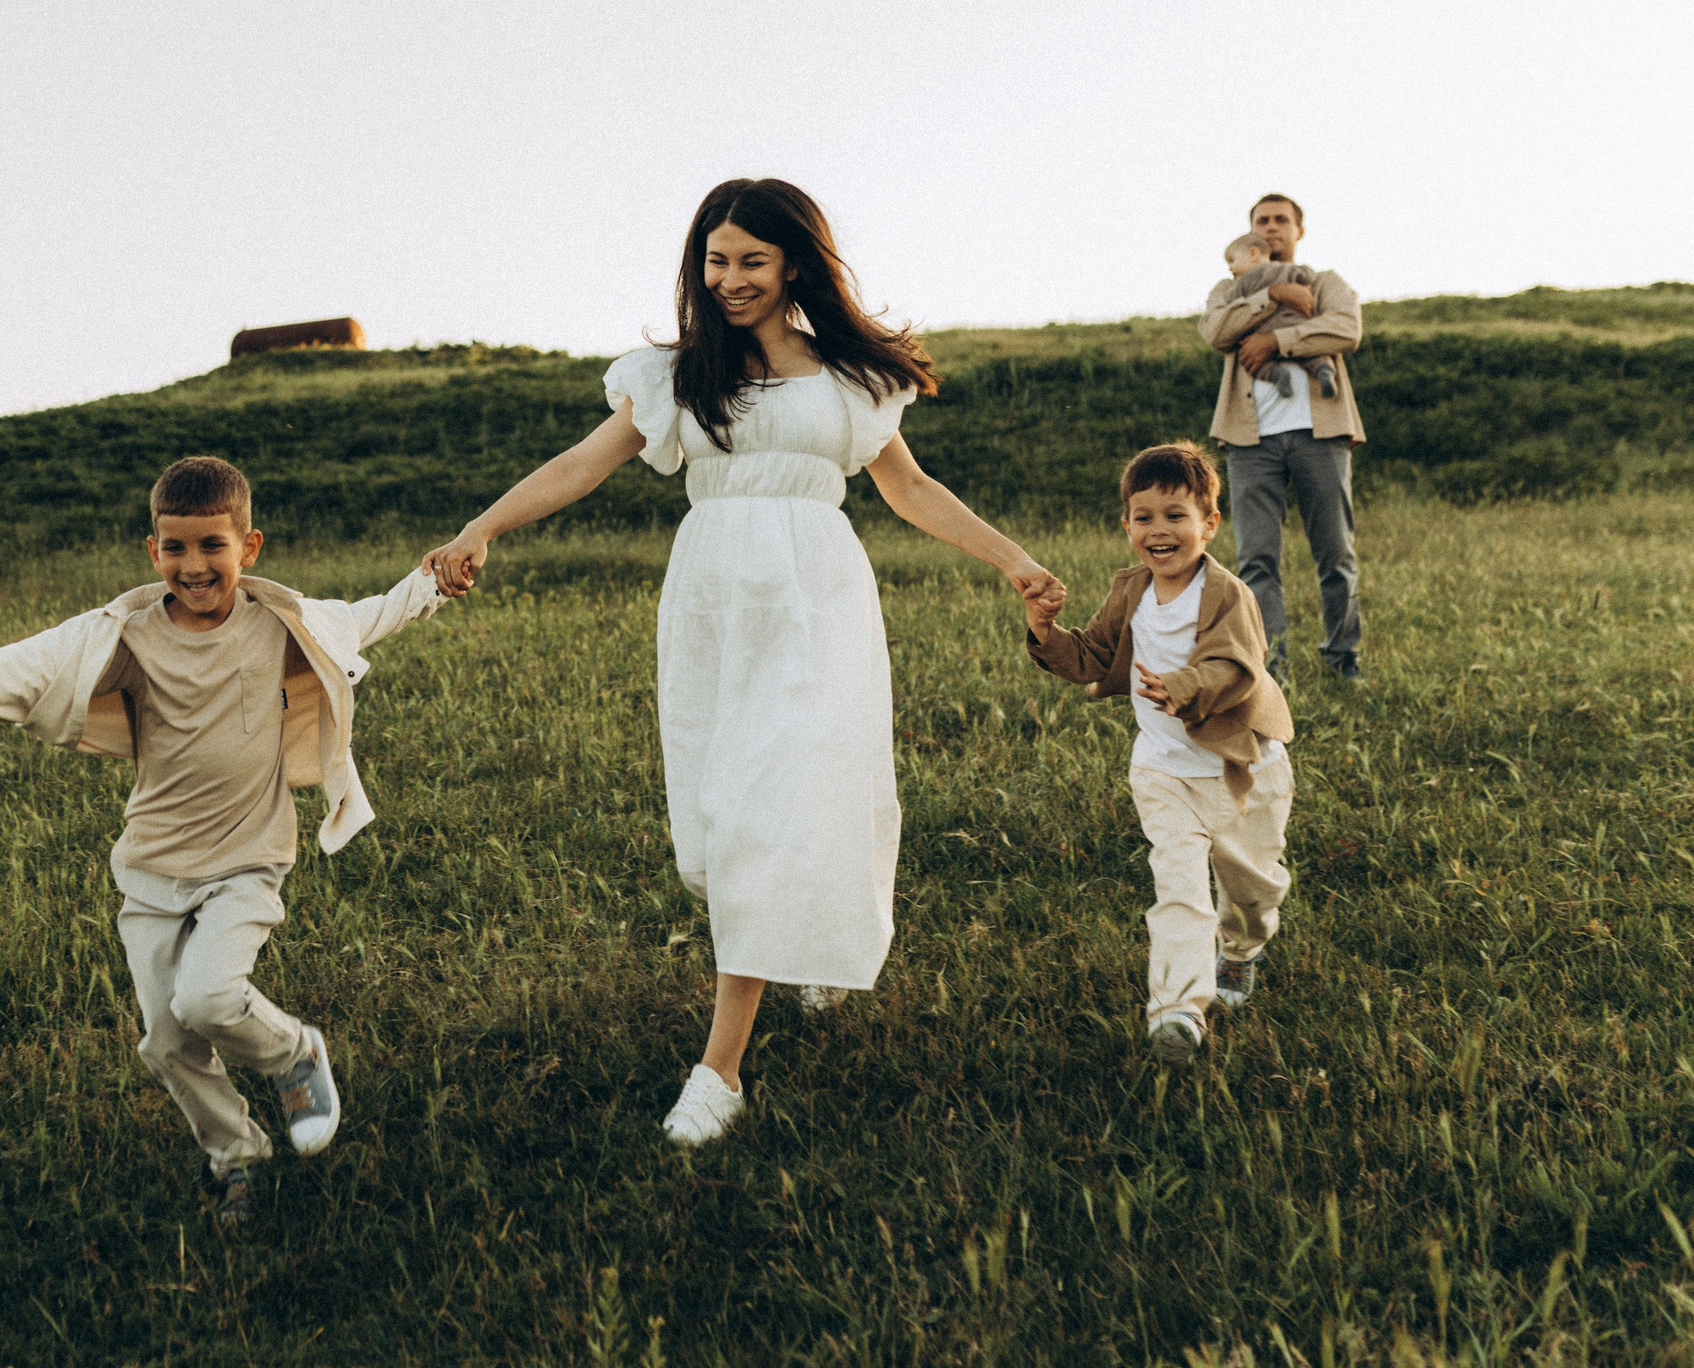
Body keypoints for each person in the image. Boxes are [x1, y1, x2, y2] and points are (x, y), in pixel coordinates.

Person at [422, 179, 1061, 1148]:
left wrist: (1013, 558)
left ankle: (718, 1070)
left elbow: (911, 487)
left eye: (750, 261)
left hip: (817, 601)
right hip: (716, 605)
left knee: (775, 802)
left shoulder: (849, 380)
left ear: (794, 263)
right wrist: (481, 527)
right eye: (715, 260)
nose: (729, 279)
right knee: (726, 819)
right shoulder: (676, 375)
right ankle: (793, 930)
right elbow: (579, 463)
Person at [0, 456, 448, 1223]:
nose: (193, 566)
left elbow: (372, 613)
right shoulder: (124, 636)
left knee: (207, 997)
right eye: (175, 548)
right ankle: (237, 1156)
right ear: (152, 550)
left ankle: (292, 1052)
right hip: (152, 869)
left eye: (211, 547)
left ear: (249, 547)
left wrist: (434, 580)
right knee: (167, 1042)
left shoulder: (281, 622)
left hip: (247, 859)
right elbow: (20, 670)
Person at [1020, 441, 1297, 1069]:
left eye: (1176, 515)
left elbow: (1235, 665)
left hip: (1242, 770)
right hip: (1164, 771)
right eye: (1144, 517)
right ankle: (1177, 1011)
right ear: (1127, 527)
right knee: (1177, 888)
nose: (1159, 530)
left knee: (1254, 892)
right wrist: (1045, 632)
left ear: (1209, 524)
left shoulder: (1228, 595)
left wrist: (1182, 687)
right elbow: (1092, 655)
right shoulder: (1132, 591)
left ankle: (1242, 951)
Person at [1199, 193, 1368, 682]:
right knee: (1256, 560)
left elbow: (1344, 328)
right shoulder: (1229, 285)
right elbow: (1214, 330)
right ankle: (1271, 670)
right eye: (1262, 221)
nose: (1272, 227)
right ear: (1251, 231)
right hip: (1250, 441)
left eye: (1282, 220)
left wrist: (1277, 340)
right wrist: (1270, 299)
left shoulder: (1324, 282)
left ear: (1299, 230)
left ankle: (1343, 663)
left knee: (1336, 554)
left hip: (1322, 434)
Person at [1220, 233, 1337, 400]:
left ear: (1253, 253)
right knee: (1313, 355)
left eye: (1232, 261)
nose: (1230, 268)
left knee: (1255, 363)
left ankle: (1277, 375)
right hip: (1295, 324)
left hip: (1263, 332)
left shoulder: (1242, 283)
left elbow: (1230, 304)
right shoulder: (1286, 269)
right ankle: (1324, 370)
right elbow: (1307, 275)